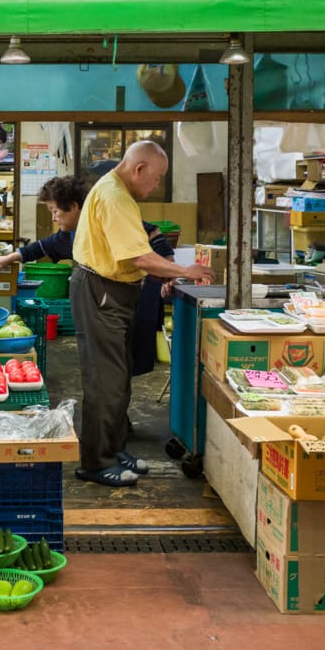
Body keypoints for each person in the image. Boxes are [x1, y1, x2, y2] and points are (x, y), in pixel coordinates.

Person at [70, 141, 212, 487]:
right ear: (139, 169)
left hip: (111, 290)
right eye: (156, 178)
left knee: (118, 378)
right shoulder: (115, 196)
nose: (155, 186)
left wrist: (166, 271)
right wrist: (183, 272)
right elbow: (139, 257)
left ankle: (113, 449)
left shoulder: (115, 190)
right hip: (102, 292)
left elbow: (139, 251)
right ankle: (96, 461)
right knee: (106, 381)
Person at [0, 176, 88, 269]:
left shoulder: (95, 231)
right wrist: (9, 258)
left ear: (73, 206)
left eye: (55, 211)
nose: (53, 219)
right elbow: (43, 246)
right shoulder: (68, 234)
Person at [130, 223, 177, 377]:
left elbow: (157, 239)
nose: (55, 218)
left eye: (56, 211)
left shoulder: (123, 214)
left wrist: (170, 272)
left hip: (140, 291)